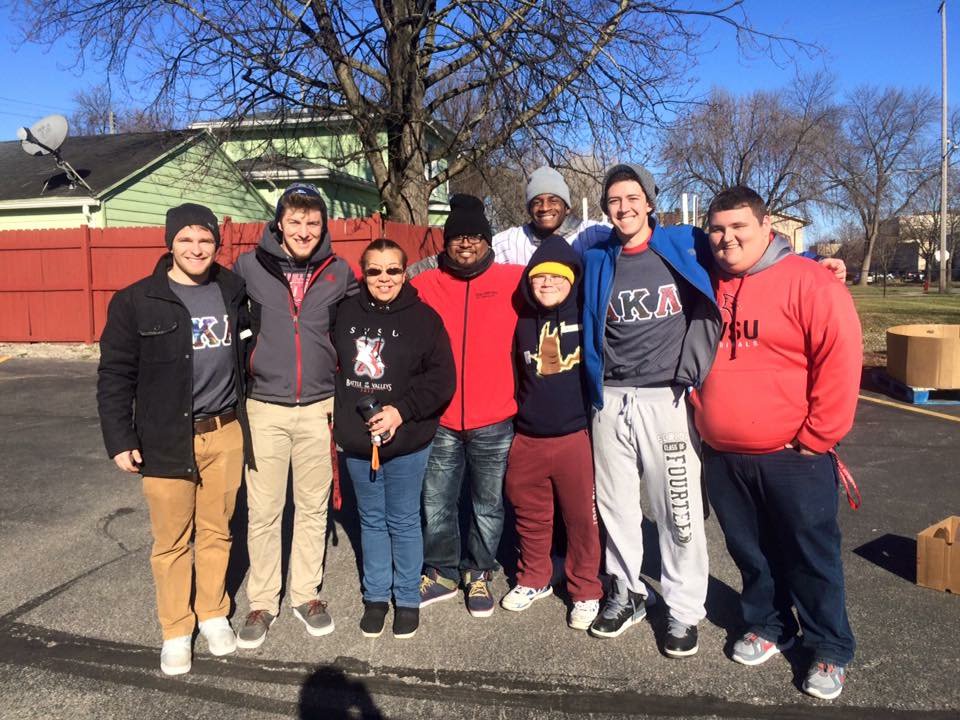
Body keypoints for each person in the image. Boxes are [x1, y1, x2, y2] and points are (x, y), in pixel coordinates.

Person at [691, 186, 861, 700]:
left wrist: (818, 435)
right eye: (717, 228)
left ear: (768, 229)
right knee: (750, 552)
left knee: (811, 555)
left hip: (794, 454)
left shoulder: (810, 281)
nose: (727, 238)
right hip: (723, 454)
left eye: (739, 227)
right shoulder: (701, 279)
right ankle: (769, 625)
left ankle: (829, 648)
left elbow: (840, 357)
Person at [97, 203, 251, 675]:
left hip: (224, 431)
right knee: (171, 540)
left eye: (204, 239)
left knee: (217, 531)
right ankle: (176, 629)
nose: (196, 248)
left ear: (216, 244)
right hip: (165, 438)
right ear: (169, 243)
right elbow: (115, 375)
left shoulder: (231, 289)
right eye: (185, 239)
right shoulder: (136, 301)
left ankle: (212, 613)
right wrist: (120, 437)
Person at [581, 163, 715, 657]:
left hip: (667, 396)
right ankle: (627, 591)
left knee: (675, 506)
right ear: (606, 209)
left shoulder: (685, 244)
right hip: (611, 398)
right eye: (615, 200)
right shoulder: (597, 258)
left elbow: (743, 250)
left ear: (650, 201)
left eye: (633, 197)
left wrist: (812, 260)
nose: (624, 207)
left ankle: (682, 608)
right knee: (615, 506)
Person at [232, 183, 358, 648]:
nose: (304, 231)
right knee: (264, 510)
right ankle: (263, 601)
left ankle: (306, 593)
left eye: (312, 222)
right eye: (295, 221)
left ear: (323, 225)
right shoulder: (249, 266)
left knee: (312, 507)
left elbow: (358, 326)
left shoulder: (339, 272)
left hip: (320, 407)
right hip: (264, 405)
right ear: (279, 223)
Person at [333, 238, 456, 639]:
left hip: (407, 439)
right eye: (374, 270)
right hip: (358, 440)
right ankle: (375, 596)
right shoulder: (345, 312)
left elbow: (442, 380)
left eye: (392, 270)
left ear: (405, 273)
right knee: (370, 520)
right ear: (362, 273)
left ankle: (405, 597)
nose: (384, 278)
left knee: (403, 520)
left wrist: (400, 411)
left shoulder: (425, 318)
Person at [410, 194, 524, 617]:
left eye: (475, 236)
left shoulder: (514, 281)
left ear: (488, 241)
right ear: (446, 242)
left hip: (495, 416)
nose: (466, 244)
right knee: (437, 500)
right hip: (440, 416)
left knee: (488, 503)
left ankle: (478, 571)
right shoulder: (423, 285)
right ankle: (439, 571)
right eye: (458, 236)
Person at [501, 235, 603, 630]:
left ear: (572, 281)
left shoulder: (585, 312)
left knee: (581, 519)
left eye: (557, 279)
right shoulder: (522, 318)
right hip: (528, 435)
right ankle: (535, 577)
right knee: (530, 515)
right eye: (540, 278)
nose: (547, 284)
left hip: (575, 435)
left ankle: (585, 588)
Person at [491, 166, 608, 265]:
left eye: (553, 201)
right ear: (529, 209)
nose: (545, 208)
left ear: (566, 207)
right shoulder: (510, 242)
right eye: (537, 202)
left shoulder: (593, 234)